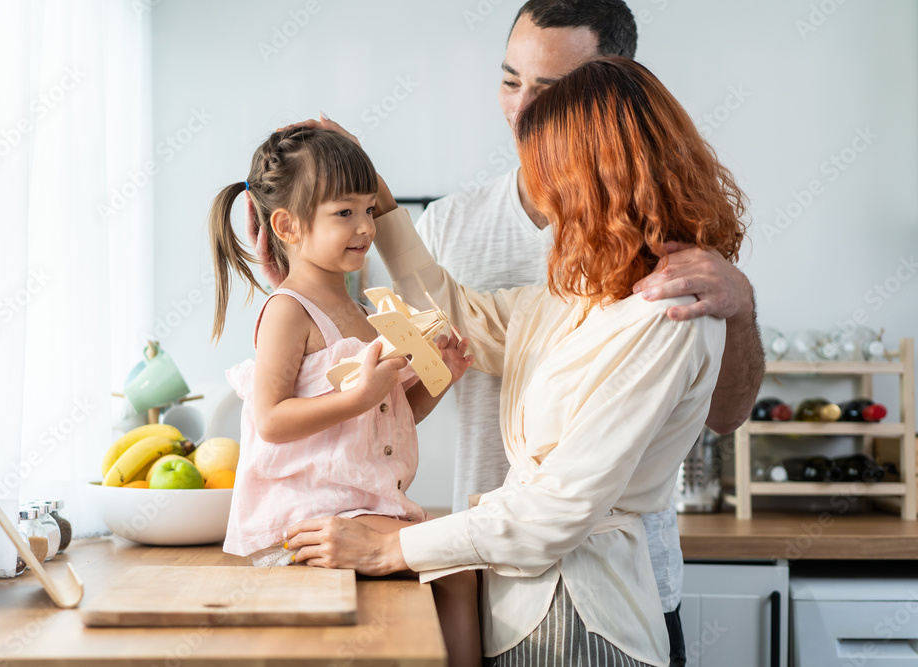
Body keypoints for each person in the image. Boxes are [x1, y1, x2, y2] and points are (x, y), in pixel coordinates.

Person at [286, 56, 748, 667]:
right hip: (523, 610)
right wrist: (382, 202)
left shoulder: (669, 314)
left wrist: (391, 548)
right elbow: (458, 313)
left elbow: (555, 513)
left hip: (586, 618)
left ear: (596, 179)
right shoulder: (584, 290)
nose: (540, 193)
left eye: (548, 173)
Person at [414, 2, 763, 664]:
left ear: (610, 94)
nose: (521, 110)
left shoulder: (675, 283)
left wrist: (739, 305)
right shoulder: (457, 229)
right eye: (510, 80)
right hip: (485, 577)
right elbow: (437, 334)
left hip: (607, 590)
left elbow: (724, 416)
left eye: (549, 92)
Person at [207, 127, 481, 667]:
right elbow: (272, 420)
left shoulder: (362, 313)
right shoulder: (288, 311)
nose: (364, 227)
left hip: (360, 510)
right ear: (287, 225)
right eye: (344, 214)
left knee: (458, 567)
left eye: (369, 210)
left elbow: (388, 416)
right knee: (455, 565)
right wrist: (359, 396)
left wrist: (440, 376)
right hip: (303, 519)